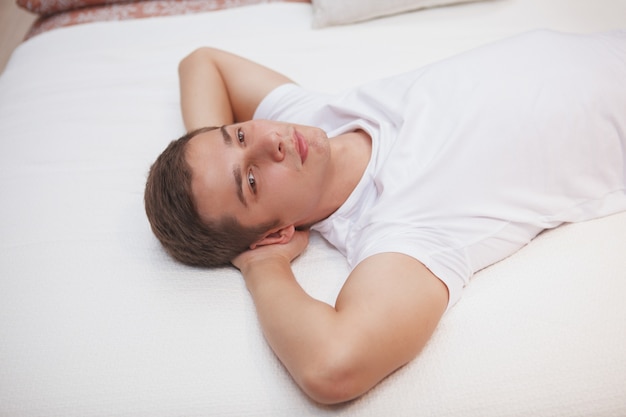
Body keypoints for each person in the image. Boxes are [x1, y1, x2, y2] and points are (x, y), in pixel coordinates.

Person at [144, 30, 626, 404]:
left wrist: (216, 157)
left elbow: (201, 62)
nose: (271, 141)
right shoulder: (402, 231)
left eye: (239, 135)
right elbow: (331, 367)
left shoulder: (314, 116)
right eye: (250, 181)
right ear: (276, 232)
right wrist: (262, 265)